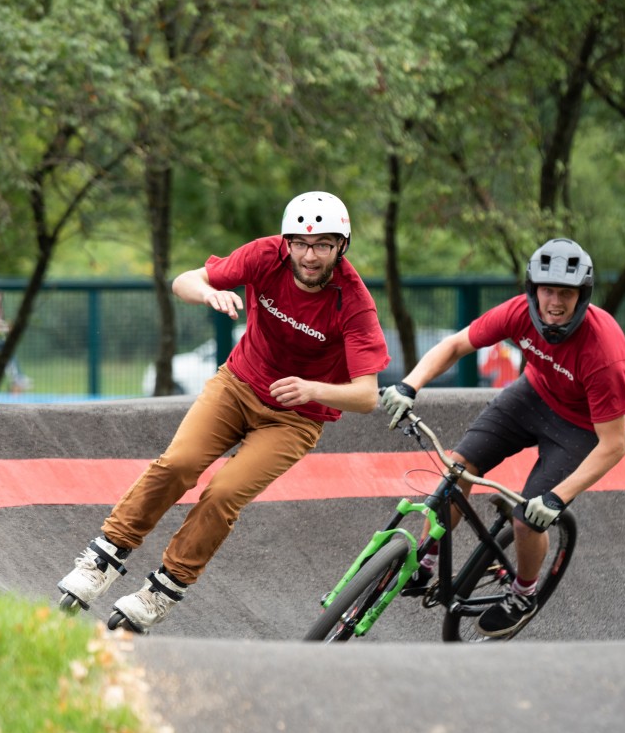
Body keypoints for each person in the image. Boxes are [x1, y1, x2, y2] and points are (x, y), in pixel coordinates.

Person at [57, 191, 390, 633]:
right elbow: (184, 281)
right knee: (179, 463)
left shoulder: (353, 301)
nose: (310, 256)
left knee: (224, 492)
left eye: (323, 245)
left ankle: (163, 589)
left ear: (340, 247)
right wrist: (209, 293)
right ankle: (104, 557)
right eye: (302, 244)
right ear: (287, 242)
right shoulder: (263, 256)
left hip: (296, 417)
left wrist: (312, 388)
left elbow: (368, 396)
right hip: (237, 385)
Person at [380, 237, 625, 637]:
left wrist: (557, 498)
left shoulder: (604, 352)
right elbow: (455, 345)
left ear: (581, 296)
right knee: (456, 472)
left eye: (565, 293)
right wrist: (408, 385)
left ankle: (524, 592)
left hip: (582, 426)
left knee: (526, 520)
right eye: (547, 290)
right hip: (533, 394)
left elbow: (614, 444)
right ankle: (427, 556)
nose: (554, 302)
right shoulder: (519, 312)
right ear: (533, 291)